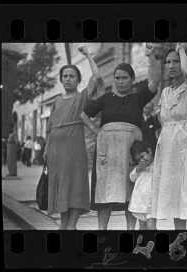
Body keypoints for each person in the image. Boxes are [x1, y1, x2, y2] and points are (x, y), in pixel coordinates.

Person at [81, 43, 161, 230]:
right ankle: (102, 231)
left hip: (130, 150)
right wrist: (96, 131)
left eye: (125, 78)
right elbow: (84, 114)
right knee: (105, 194)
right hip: (107, 151)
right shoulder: (106, 98)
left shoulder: (137, 98)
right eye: (117, 78)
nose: (120, 81)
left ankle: (130, 232)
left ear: (132, 80)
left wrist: (151, 56)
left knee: (130, 191)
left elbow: (156, 81)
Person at [43, 46, 100, 230]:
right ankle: (64, 224)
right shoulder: (56, 101)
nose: (67, 79)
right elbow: (49, 128)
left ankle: (72, 225)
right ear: (61, 79)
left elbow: (97, 77)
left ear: (78, 80)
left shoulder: (81, 97)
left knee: (75, 183)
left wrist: (88, 55)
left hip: (74, 149)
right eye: (65, 76)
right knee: (61, 185)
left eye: (71, 76)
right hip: (55, 151)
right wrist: (46, 148)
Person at [151, 43, 187, 230]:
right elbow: (164, 121)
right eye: (168, 62)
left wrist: (181, 49)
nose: (171, 65)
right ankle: (180, 244)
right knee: (174, 198)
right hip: (168, 146)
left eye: (176, 61)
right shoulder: (165, 92)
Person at [128, 140, 156, 230]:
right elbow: (132, 178)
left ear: (149, 151)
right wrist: (138, 169)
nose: (141, 160)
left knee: (151, 226)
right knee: (142, 226)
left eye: (142, 156)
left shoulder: (157, 166)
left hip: (152, 203)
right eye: (138, 160)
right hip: (140, 203)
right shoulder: (139, 168)